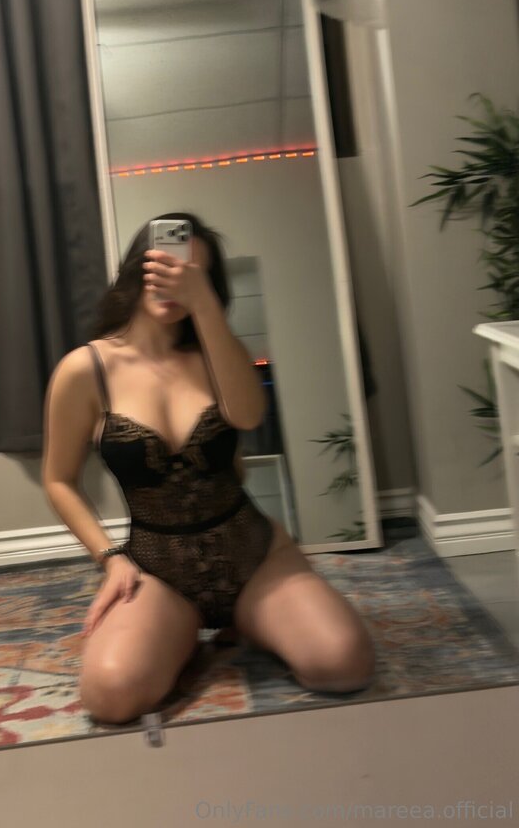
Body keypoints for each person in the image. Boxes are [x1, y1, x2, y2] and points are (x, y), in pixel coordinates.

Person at [41, 211, 376, 724]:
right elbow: (59, 480)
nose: (177, 278)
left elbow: (248, 415)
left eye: (195, 273)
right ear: (139, 267)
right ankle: (184, 637)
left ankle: (251, 621)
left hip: (253, 554)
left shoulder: (219, 353)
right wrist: (110, 559)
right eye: (169, 263)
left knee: (344, 663)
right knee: (110, 696)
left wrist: (204, 309)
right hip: (158, 570)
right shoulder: (85, 369)